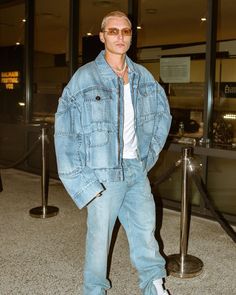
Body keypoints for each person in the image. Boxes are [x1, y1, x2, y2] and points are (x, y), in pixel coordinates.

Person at [54, 10, 172, 295]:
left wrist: (148, 156)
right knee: (99, 240)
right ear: (103, 36)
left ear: (131, 36)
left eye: (126, 31)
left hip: (135, 167)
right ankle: (94, 290)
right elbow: (65, 132)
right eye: (113, 31)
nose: (120, 36)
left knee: (146, 231)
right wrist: (82, 181)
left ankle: (154, 284)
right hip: (102, 171)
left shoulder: (143, 77)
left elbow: (162, 116)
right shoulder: (84, 78)